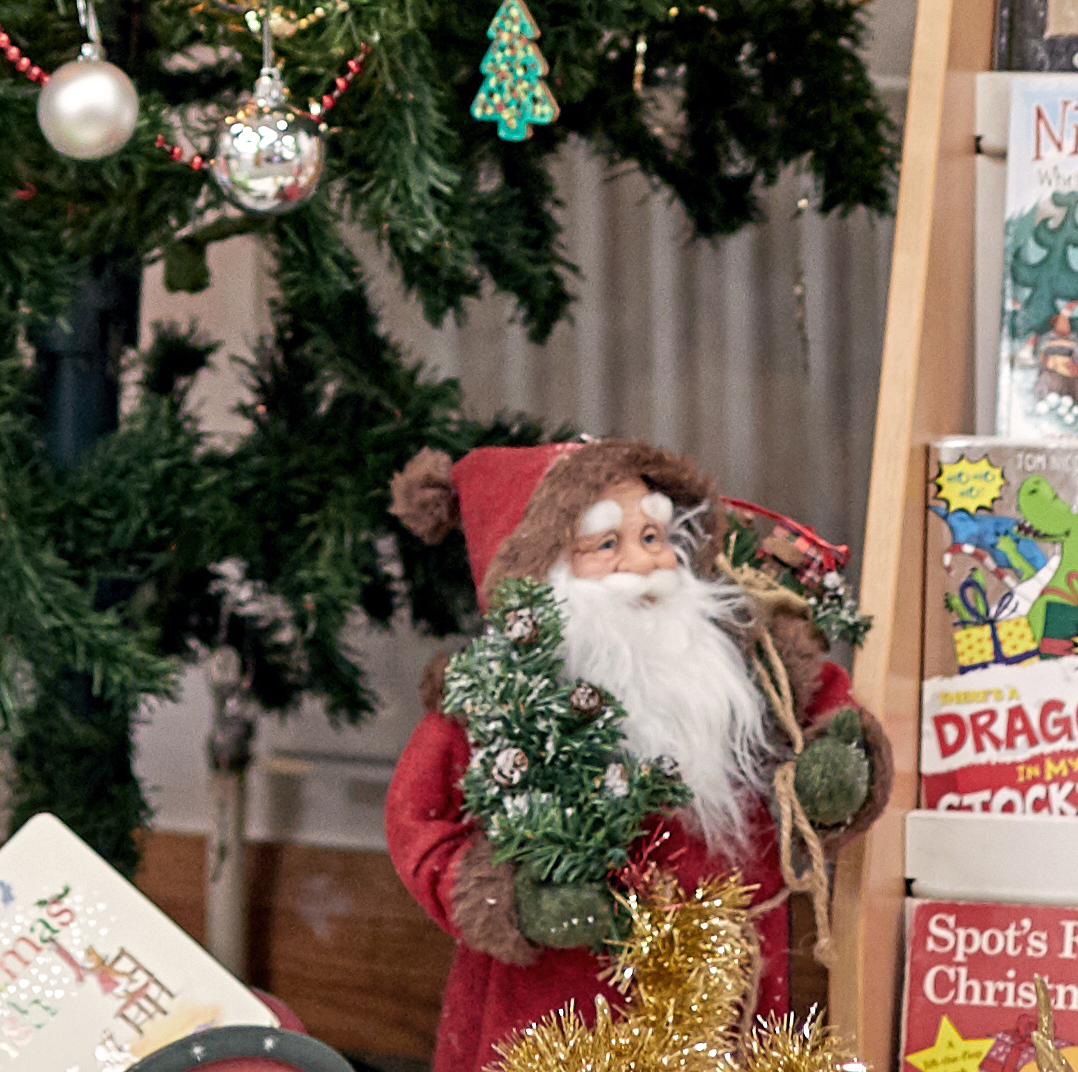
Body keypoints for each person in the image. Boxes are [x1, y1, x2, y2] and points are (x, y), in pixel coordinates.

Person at [380, 439, 888, 1072]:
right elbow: (419, 823)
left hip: (733, 994)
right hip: (564, 1018)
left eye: (652, 536)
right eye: (605, 545)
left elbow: (828, 716)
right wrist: (509, 900)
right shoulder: (492, 699)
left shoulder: (751, 659)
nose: (643, 564)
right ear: (539, 570)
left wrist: (836, 769)